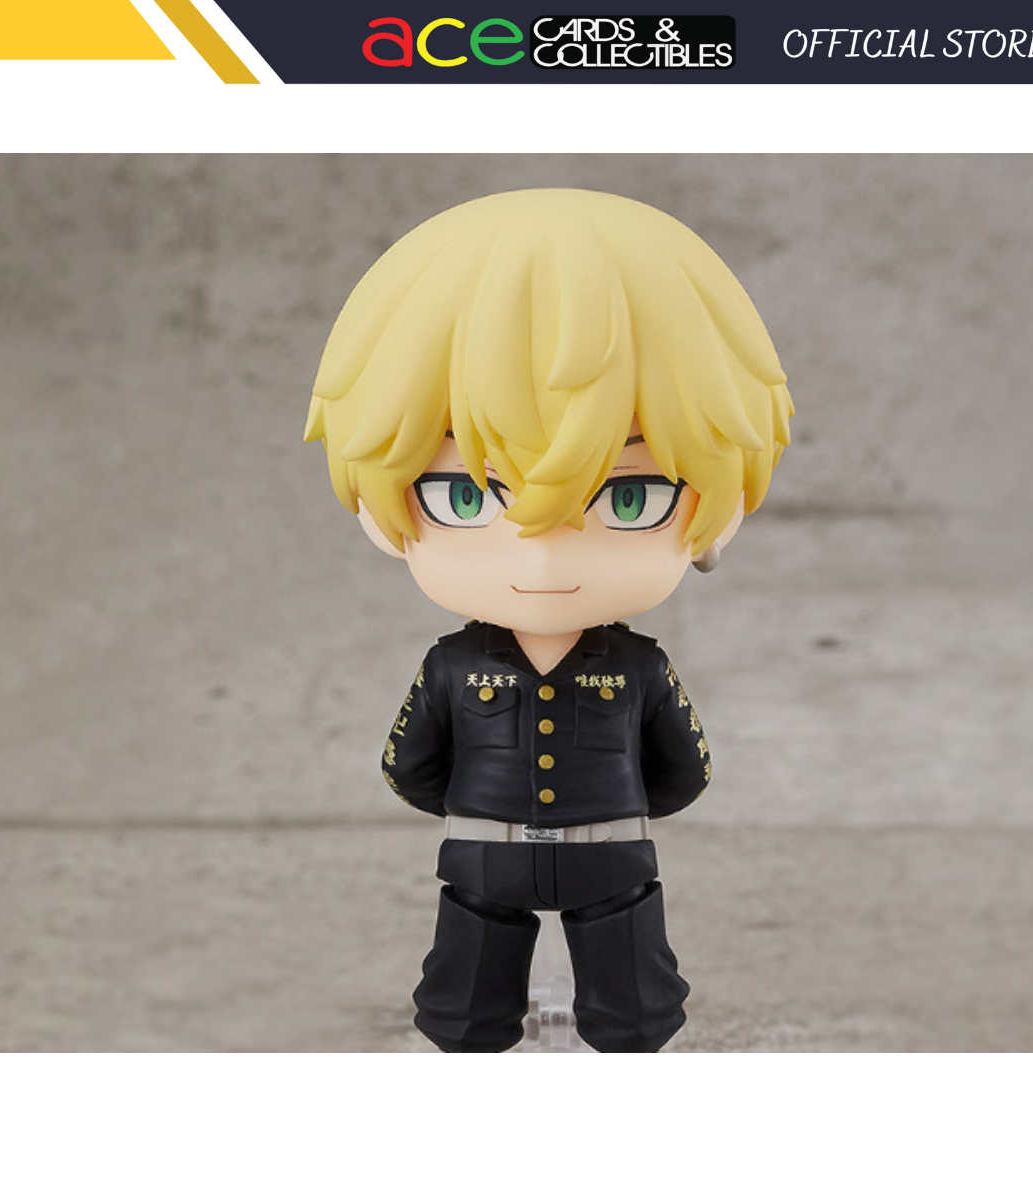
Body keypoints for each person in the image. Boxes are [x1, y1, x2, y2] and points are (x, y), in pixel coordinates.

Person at [305, 188, 792, 1052]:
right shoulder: (452, 664)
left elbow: (681, 771)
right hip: (482, 858)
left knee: (634, 1001)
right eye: (462, 496)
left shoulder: (639, 666)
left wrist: (618, 812)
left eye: (631, 497)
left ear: (720, 511)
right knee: (464, 998)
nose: (542, 560)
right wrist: (475, 814)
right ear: (383, 511)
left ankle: (628, 1031)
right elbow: (411, 765)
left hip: (611, 858)